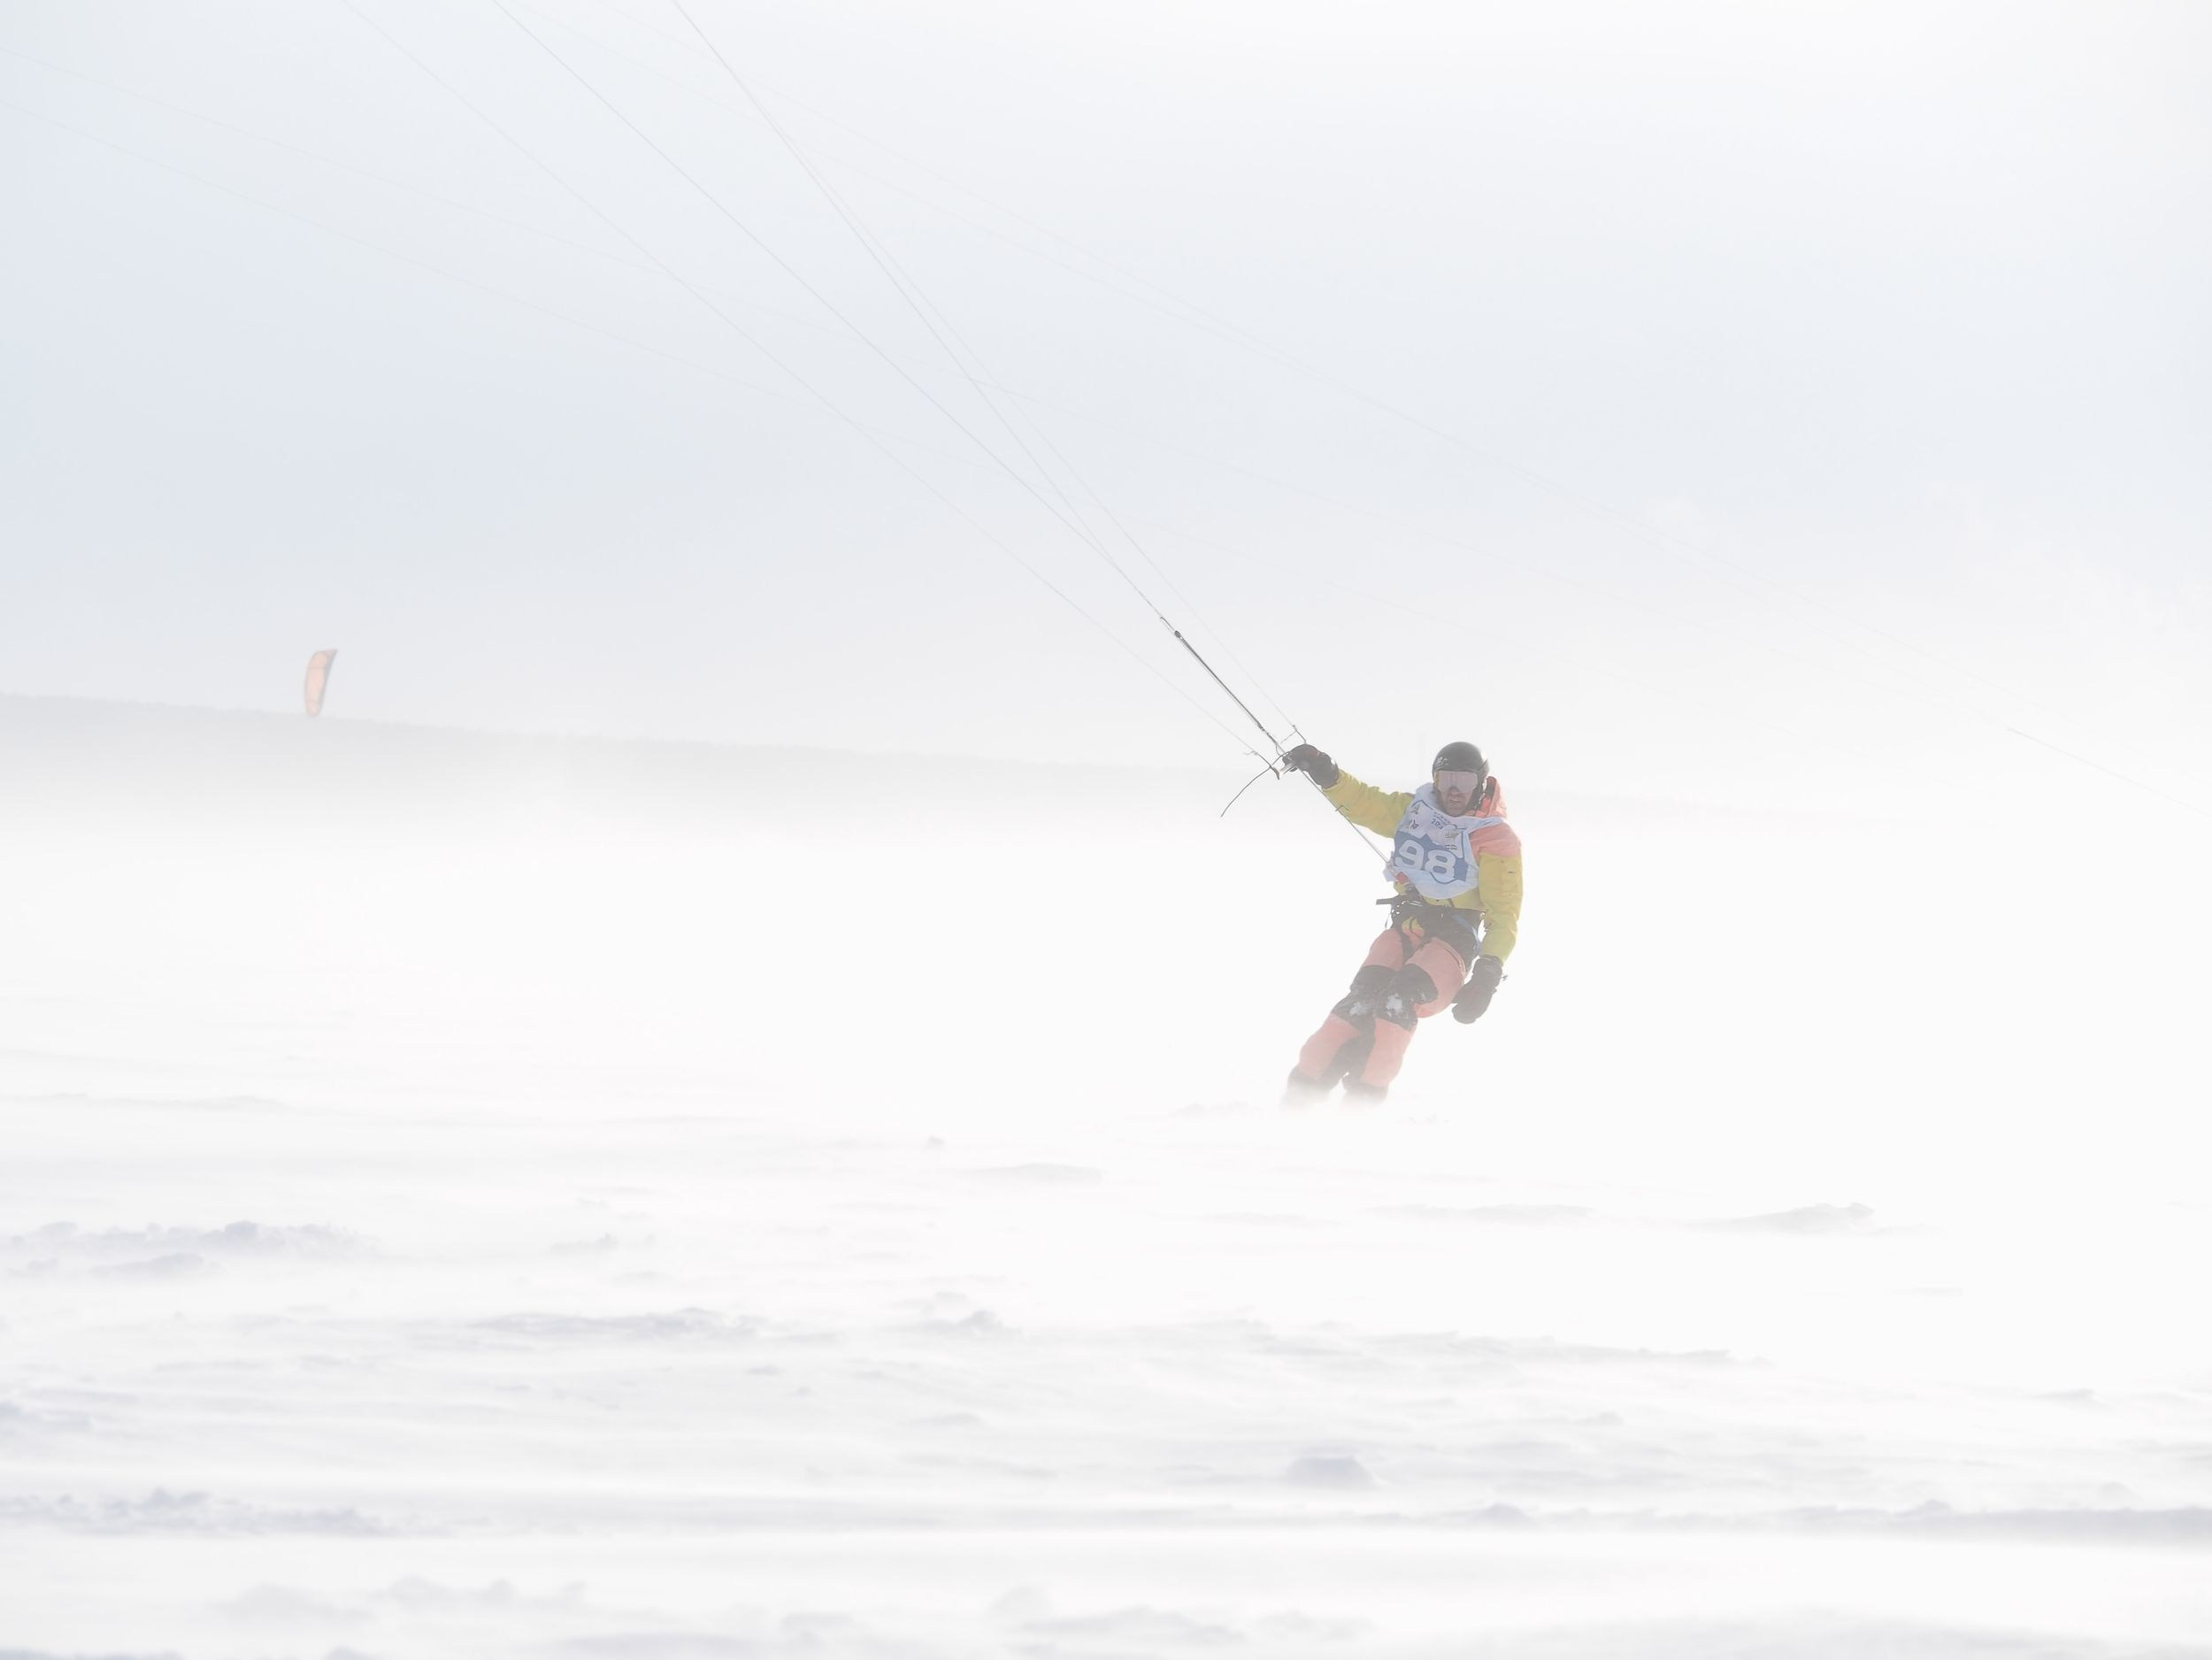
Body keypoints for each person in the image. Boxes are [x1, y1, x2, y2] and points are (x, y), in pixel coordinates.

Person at [1279, 740, 1524, 1103]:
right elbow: (1364, 802)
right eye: (1445, 779)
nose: (1454, 790)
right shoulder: (1415, 811)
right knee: (1357, 1005)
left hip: (1453, 940)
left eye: (1464, 780)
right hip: (1408, 926)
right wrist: (1324, 770)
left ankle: (1361, 1107)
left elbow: (1504, 914)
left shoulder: (1494, 838)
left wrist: (1488, 972)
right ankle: (1298, 1102)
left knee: (1398, 1001)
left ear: (1481, 783)